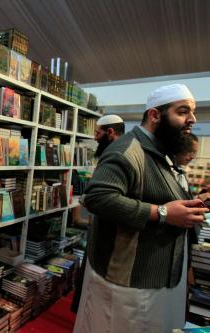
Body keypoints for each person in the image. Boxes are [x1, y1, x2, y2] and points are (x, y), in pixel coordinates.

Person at [73, 84, 208, 333]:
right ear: (155, 115)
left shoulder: (159, 152)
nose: (192, 119)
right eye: (182, 111)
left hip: (153, 278)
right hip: (129, 285)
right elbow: (98, 197)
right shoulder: (127, 150)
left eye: (192, 112)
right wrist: (164, 213)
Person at [70, 114, 124, 313]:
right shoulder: (111, 154)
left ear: (110, 133)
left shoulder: (116, 156)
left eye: (97, 133)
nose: (94, 138)